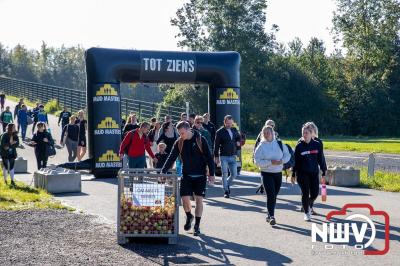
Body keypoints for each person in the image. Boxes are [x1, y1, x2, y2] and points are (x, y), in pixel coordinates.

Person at [161, 121, 215, 236]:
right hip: (186, 174)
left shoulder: (200, 140)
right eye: (179, 133)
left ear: (189, 129)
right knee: (184, 198)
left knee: (199, 200)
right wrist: (163, 172)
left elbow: (209, 158)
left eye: (182, 133)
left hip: (200, 175)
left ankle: (197, 226)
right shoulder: (179, 142)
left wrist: (212, 174)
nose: (181, 136)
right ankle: (189, 215)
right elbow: (171, 157)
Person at [254, 126, 291, 225]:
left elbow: (288, 155)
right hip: (266, 173)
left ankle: (269, 213)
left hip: (278, 173)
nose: (266, 134)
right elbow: (256, 161)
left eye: (268, 132)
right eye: (264, 133)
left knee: (274, 195)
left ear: (272, 133)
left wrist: (281, 161)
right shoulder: (261, 146)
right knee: (271, 195)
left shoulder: (279, 143)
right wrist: (270, 162)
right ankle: (271, 216)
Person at [291, 124, 327, 221]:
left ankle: (308, 205)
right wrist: (293, 174)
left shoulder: (317, 145)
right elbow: (296, 161)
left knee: (315, 193)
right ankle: (307, 212)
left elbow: (321, 159)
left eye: (306, 133)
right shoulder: (299, 146)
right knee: (305, 193)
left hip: (314, 173)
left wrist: (324, 169)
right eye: (303, 133)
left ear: (311, 134)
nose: (305, 135)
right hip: (302, 173)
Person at [214, 115, 241, 198]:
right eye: (227, 123)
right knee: (225, 174)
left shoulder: (234, 129)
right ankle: (226, 191)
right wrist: (216, 156)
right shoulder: (219, 132)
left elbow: (238, 138)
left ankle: (227, 185)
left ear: (232, 122)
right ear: (224, 122)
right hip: (223, 156)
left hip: (233, 155)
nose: (229, 124)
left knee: (234, 174)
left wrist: (238, 143)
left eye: (230, 123)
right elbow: (216, 145)